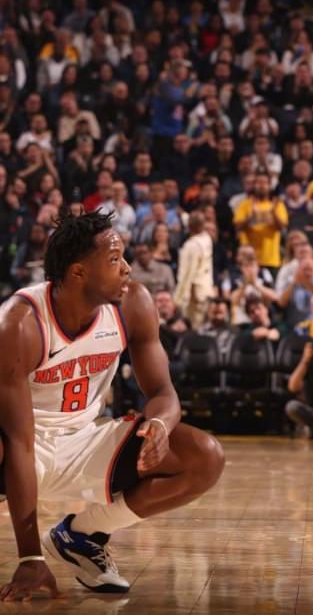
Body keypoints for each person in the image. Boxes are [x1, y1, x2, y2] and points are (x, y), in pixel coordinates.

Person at [0, 211, 224, 600]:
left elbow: (164, 391)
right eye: (115, 259)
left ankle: (82, 535)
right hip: (20, 446)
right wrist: (30, 557)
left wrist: (159, 425)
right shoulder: (20, 324)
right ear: (78, 272)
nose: (127, 268)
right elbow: (20, 442)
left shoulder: (133, 303)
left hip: (86, 437)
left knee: (204, 456)